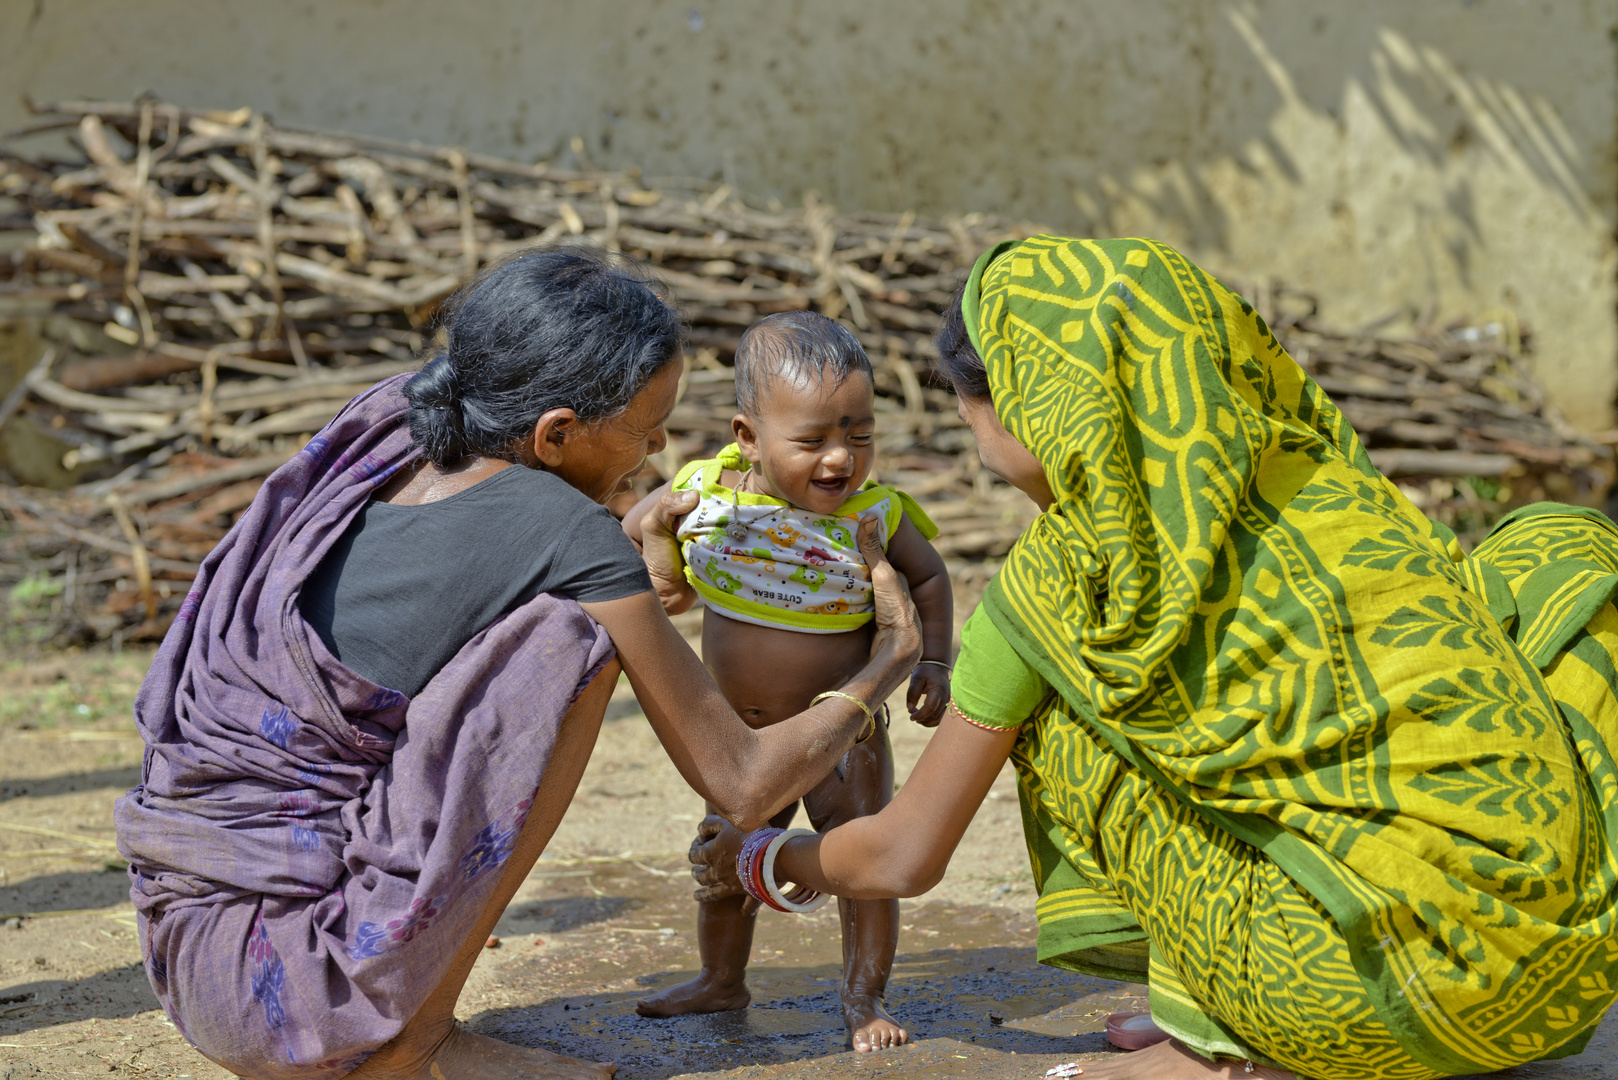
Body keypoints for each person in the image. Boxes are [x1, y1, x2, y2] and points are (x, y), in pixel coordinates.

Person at [688, 235, 1618, 1079]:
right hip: (1562, 984)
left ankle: (1219, 1044)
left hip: (1365, 1002)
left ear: (1030, 403)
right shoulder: (1340, 490)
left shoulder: (1066, 584)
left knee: (1058, 705)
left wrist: (767, 857)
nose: (976, 448)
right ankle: (1234, 994)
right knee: (1554, 553)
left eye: (974, 415)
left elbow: (904, 855)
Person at [113, 247, 922, 1080]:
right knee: (574, 642)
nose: (654, 455)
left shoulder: (393, 425)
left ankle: (411, 1025)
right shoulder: (570, 537)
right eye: (645, 434)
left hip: (195, 955)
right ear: (556, 435)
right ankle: (415, 1045)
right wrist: (888, 661)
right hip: (305, 998)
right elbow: (745, 782)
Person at [623, 311, 952, 1051]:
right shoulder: (708, 490)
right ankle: (720, 979)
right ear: (747, 435)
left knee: (861, 865)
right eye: (811, 441)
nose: (840, 460)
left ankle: (863, 998)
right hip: (737, 739)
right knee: (722, 861)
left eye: (860, 436)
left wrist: (935, 660)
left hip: (843, 733)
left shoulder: (875, 513)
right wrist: (658, 543)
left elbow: (929, 577)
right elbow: (640, 539)